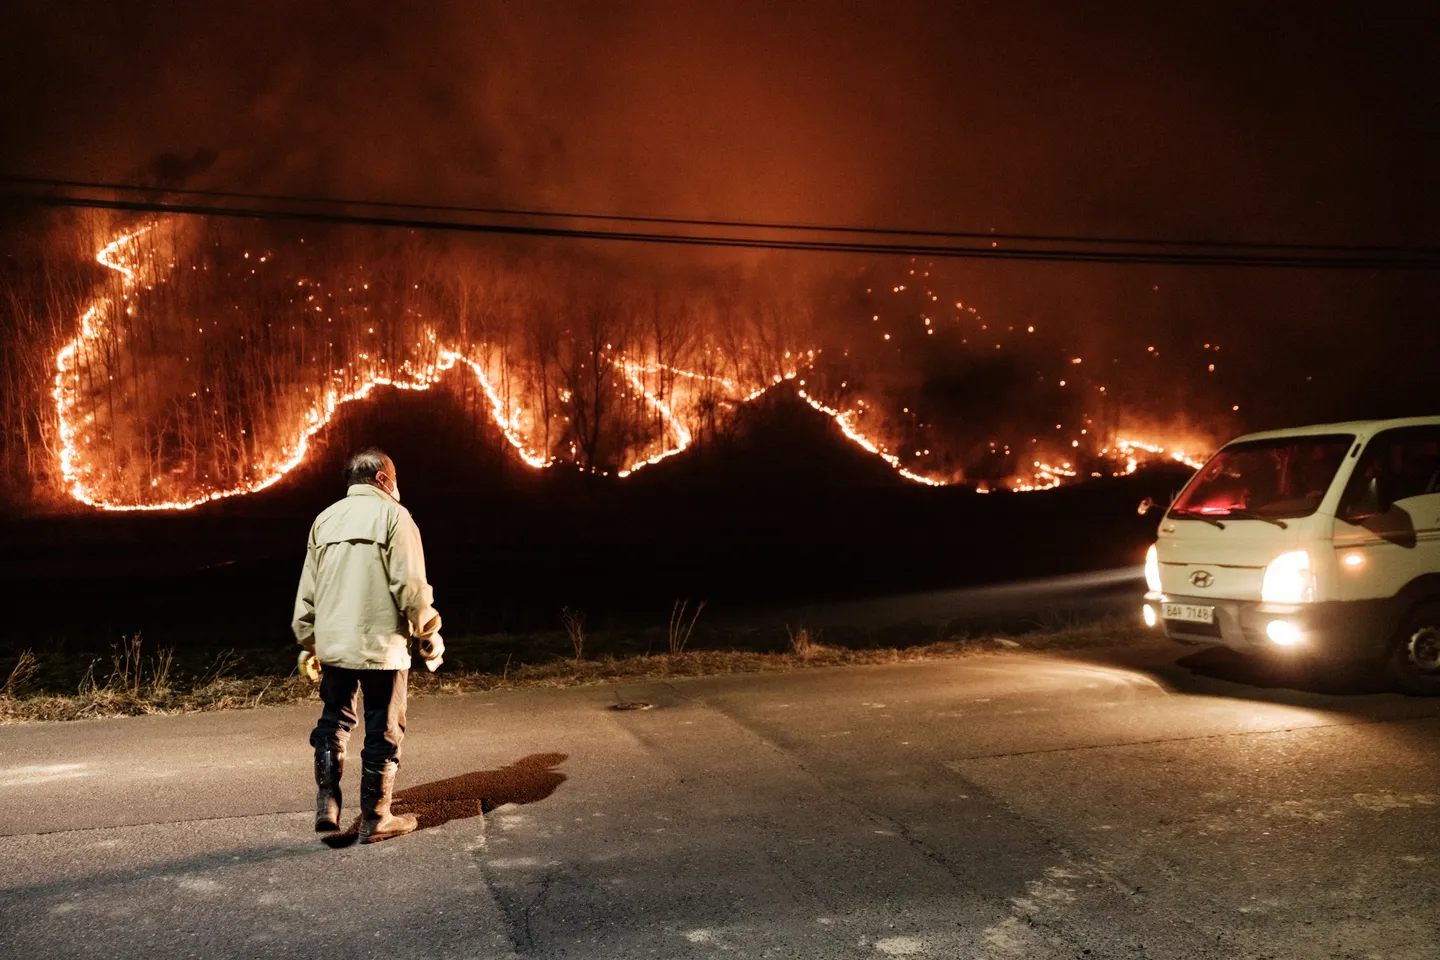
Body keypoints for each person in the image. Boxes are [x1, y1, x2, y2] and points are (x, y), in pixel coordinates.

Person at [292, 448, 445, 842]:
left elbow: (308, 590)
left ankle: (327, 804)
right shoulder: (396, 516)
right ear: (382, 479)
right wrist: (428, 632)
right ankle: (377, 818)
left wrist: (308, 641)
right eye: (394, 478)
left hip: (334, 645)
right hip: (383, 645)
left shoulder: (324, 519)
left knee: (334, 721)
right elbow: (410, 586)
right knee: (384, 726)